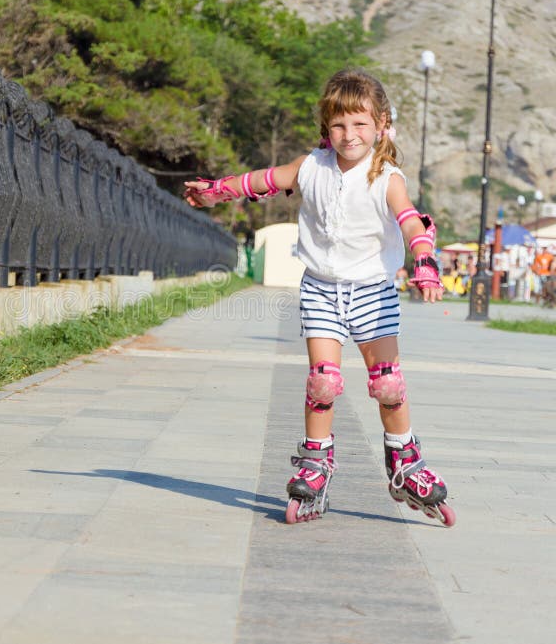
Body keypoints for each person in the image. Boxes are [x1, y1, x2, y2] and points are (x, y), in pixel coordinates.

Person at [184, 68, 454, 527]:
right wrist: (216, 192)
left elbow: (411, 220)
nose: (350, 135)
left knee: (388, 383)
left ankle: (405, 461)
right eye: (340, 125)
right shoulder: (311, 167)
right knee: (323, 381)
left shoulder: (386, 177)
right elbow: (263, 180)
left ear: (382, 124)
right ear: (326, 128)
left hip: (373, 290)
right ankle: (316, 464)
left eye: (361, 124)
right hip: (321, 289)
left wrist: (424, 258)